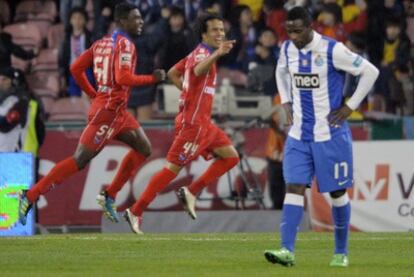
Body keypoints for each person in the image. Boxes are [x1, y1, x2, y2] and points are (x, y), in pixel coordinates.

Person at [18, 3, 166, 225]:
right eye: (136, 18)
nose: (141, 21)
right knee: (79, 160)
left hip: (117, 111)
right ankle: (30, 195)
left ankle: (109, 195)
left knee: (143, 148)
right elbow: (124, 78)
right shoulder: (125, 44)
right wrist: (152, 78)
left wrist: (92, 93)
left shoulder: (101, 43)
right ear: (122, 22)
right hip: (107, 112)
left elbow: (76, 67)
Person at [263, 7, 379, 267]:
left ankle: (340, 252)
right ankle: (287, 250)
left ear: (310, 26)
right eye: (289, 31)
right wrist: (286, 100)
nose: (293, 36)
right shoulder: (287, 49)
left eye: (298, 30)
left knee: (337, 193)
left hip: (331, 135)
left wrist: (351, 106)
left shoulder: (333, 50)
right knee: (294, 186)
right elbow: (280, 72)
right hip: (298, 135)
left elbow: (370, 72)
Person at [123, 14, 240, 234]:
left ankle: (192, 191)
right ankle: (136, 211)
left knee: (231, 156)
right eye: (215, 30)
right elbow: (197, 70)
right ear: (204, 34)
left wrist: (189, 93)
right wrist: (217, 54)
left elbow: (172, 73)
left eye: (222, 30)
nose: (220, 34)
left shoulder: (196, 53)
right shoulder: (204, 54)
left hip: (204, 123)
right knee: (171, 169)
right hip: (193, 125)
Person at [59, 7, 94, 97]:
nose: (77, 21)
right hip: (72, 72)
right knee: (74, 99)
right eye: (74, 18)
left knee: (86, 98)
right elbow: (62, 59)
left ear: (85, 21)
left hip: (86, 71)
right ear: (70, 21)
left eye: (80, 18)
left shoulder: (90, 38)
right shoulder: (66, 39)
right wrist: (63, 77)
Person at [0, 67, 29, 152]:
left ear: (13, 81)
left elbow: (6, 126)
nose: (0, 83)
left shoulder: (20, 101)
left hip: (12, 154)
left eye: (4, 79)